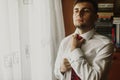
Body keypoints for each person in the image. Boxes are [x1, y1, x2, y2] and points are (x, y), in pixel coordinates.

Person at [54, 0, 114, 80]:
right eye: (76, 11)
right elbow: (56, 73)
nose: (79, 14)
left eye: (86, 11)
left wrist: (75, 50)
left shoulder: (105, 44)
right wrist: (61, 69)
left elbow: (94, 78)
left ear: (96, 17)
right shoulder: (65, 42)